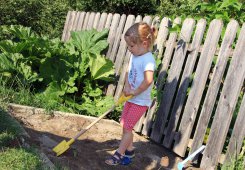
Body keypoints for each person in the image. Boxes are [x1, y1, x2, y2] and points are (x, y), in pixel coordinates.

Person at [105, 22, 157, 166]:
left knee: (127, 127)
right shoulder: (135, 55)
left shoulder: (148, 60)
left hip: (140, 102)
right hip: (131, 98)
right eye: (128, 46)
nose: (129, 49)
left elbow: (148, 80)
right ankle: (129, 150)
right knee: (124, 124)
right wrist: (127, 86)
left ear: (145, 43)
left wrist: (135, 91)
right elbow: (128, 71)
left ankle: (118, 155)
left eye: (131, 46)